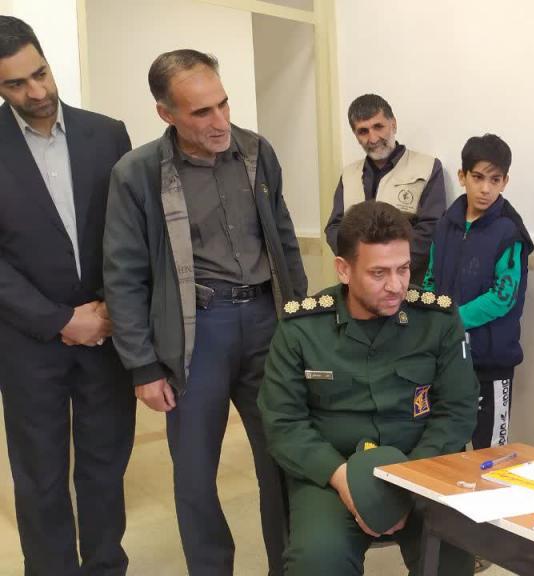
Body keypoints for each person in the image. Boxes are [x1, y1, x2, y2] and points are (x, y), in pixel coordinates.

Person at [103, 49, 307, 575]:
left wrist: (301, 325)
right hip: (196, 332)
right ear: (165, 113)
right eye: (201, 112)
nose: (220, 122)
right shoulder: (137, 174)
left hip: (266, 323)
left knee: (284, 459)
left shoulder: (256, 152)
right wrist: (143, 366)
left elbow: (283, 240)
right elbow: (123, 274)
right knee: (195, 475)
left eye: (223, 104)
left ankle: (290, 565)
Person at [259, 200, 477, 575]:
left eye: (403, 269)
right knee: (317, 561)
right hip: (332, 472)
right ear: (344, 269)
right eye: (379, 273)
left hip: (421, 464)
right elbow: (283, 422)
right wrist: (343, 479)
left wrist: (409, 481)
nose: (396, 286)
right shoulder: (301, 329)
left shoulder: (437, 321)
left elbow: (457, 409)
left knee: (452, 559)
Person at [0, 16, 136, 575]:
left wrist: (107, 307)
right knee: (40, 476)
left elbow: (129, 231)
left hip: (106, 335)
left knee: (105, 468)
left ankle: (106, 567)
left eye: (40, 73)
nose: (36, 92)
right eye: (15, 84)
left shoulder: (108, 134)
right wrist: (59, 319)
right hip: (27, 343)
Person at [422, 134, 533, 448]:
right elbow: (430, 278)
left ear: (505, 181)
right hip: (448, 359)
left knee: (490, 452)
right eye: (478, 177)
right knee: (446, 449)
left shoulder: (509, 231)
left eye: (495, 180)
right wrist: (432, 319)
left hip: (491, 362)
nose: (485, 188)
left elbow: (503, 297)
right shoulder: (444, 226)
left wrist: (452, 319)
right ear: (462, 176)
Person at [324, 94, 446, 283]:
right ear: (355, 136)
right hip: (358, 284)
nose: (373, 138)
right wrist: (358, 265)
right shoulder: (348, 175)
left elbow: (431, 228)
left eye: (378, 127)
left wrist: (388, 267)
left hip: (407, 283)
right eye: (363, 131)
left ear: (393, 124)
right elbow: (334, 227)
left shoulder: (428, 167)